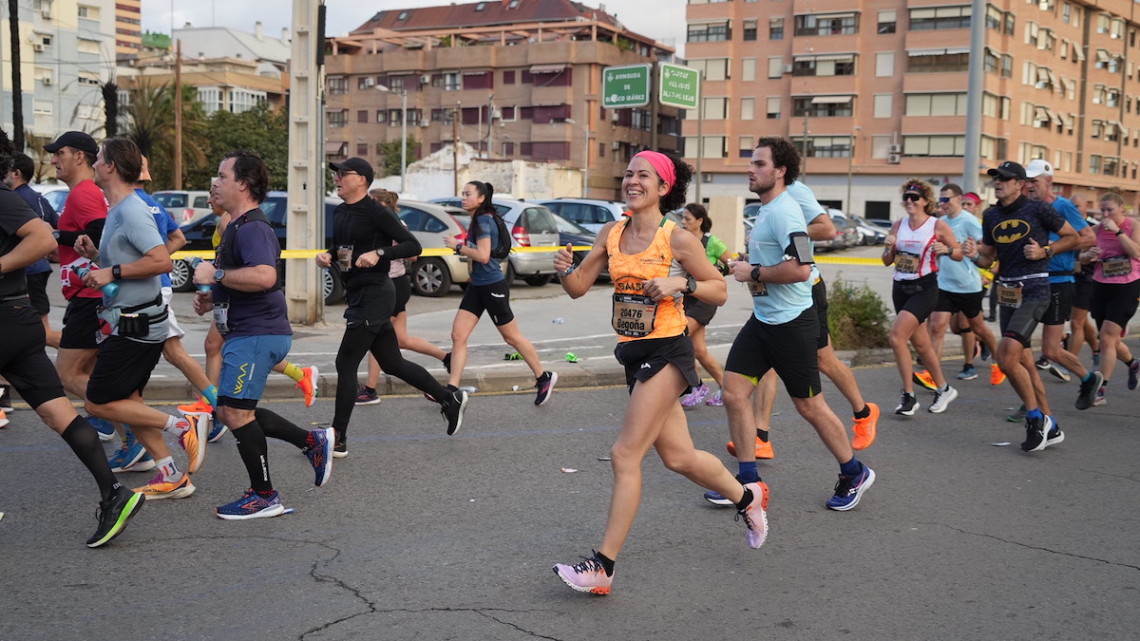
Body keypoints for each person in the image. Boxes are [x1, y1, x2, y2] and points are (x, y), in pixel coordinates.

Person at [550, 150, 765, 596]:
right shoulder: (611, 232)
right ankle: (749, 498)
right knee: (679, 458)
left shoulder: (678, 238)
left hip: (668, 351)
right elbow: (576, 289)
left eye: (643, 175)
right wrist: (564, 269)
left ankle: (602, 567)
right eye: (628, 173)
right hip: (633, 354)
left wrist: (680, 283)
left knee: (624, 455)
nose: (632, 180)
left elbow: (720, 289)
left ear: (663, 187)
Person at [0, 127, 144, 546]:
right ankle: (114, 494)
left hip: (7, 316)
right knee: (58, 413)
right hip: (19, 321)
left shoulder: (3, 197)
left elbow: (42, 238)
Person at [191, 150, 333, 519]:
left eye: (222, 176)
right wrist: (214, 299)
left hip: (256, 334)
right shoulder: (236, 226)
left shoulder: (253, 227)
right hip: (246, 332)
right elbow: (244, 279)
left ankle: (265, 495)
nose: (215, 183)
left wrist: (216, 276)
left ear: (243, 183)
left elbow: (265, 276)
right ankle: (311, 441)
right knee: (232, 411)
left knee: (235, 415)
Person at [74, 137, 209, 501]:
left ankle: (182, 423)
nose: (94, 163)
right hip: (130, 320)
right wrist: (97, 256)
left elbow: (161, 261)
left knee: (96, 402)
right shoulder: (118, 209)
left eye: (98, 158)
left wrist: (111, 271)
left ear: (111, 167)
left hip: (138, 325)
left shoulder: (131, 209)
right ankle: (171, 474)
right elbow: (132, 260)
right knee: (130, 399)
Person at [315, 158, 467, 457]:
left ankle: (339, 437)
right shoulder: (341, 211)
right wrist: (328, 256)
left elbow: (413, 246)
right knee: (392, 363)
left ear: (362, 179)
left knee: (345, 363)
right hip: (357, 293)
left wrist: (379, 252)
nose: (337, 178)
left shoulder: (377, 212)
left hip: (376, 293)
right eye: (336, 173)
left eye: (343, 174)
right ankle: (449, 399)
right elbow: (343, 247)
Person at [724, 179, 880, 469]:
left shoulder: (792, 197)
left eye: (759, 162)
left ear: (780, 169)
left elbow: (825, 231)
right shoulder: (766, 206)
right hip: (767, 313)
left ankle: (862, 416)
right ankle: (752, 465)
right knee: (737, 389)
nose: (750, 169)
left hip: (800, 303)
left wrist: (778, 240)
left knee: (820, 372)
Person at [106, 156, 220, 473]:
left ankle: (214, 412)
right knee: (170, 354)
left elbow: (163, 252)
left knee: (172, 353)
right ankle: (209, 413)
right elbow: (178, 238)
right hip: (155, 290)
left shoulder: (130, 204)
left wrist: (146, 266)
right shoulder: (151, 203)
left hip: (147, 294)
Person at [967, 161, 1081, 451]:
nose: (998, 182)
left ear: (1019, 183)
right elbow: (989, 258)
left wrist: (1046, 250)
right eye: (995, 178)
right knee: (1024, 363)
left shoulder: (1037, 208)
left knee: (1006, 358)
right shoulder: (991, 215)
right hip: (1007, 293)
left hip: (1035, 290)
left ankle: (1034, 418)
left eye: (1005, 178)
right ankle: (1050, 424)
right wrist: (972, 255)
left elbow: (1074, 237)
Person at [442, 181, 556, 406]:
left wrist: (457, 246)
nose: (462, 198)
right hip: (477, 286)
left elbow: (484, 256)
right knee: (458, 335)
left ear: (481, 198)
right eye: (462, 194)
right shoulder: (479, 218)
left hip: (493, 286)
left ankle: (544, 377)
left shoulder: (484, 220)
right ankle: (452, 389)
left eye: (467, 194)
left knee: (511, 336)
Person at [46, 131, 117, 441]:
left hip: (90, 295)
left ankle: (141, 431)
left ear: (78, 157)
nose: (53, 160)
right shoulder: (85, 192)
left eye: (59, 153)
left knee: (68, 373)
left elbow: (100, 236)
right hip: (89, 294)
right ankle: (130, 437)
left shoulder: (83, 192)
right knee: (95, 374)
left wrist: (55, 235)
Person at [355, 187, 450, 405]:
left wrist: (385, 254)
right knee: (402, 340)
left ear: (382, 204)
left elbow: (414, 253)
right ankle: (447, 357)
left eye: (370, 201)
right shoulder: (380, 222)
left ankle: (370, 390)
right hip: (392, 285)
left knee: (375, 338)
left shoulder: (394, 223)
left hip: (393, 285)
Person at [1022, 159, 1101, 402]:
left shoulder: (1063, 206)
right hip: (1031, 281)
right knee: (1018, 346)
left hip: (1058, 281)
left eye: (1034, 181)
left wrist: (1052, 248)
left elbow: (1088, 237)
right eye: (1027, 182)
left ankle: (1089, 378)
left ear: (1049, 182)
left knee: (1051, 350)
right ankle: (1032, 403)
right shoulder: (1025, 207)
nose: (1029, 186)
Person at [881, 179, 961, 415]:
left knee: (896, 337)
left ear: (926, 201)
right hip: (900, 288)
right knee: (922, 345)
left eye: (915, 197)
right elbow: (887, 261)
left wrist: (945, 250)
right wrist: (888, 247)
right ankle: (944, 389)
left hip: (924, 288)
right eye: (906, 196)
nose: (909, 201)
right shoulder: (898, 225)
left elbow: (957, 253)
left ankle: (908, 396)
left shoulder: (937, 226)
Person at [925, 183, 1002, 387]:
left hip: (968, 284)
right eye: (940, 200)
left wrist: (966, 248)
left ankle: (999, 361)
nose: (943, 204)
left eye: (946, 199)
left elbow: (989, 248)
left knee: (978, 327)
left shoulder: (969, 221)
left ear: (958, 199)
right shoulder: (940, 222)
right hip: (944, 284)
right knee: (936, 327)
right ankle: (933, 375)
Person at [1080, 190, 1140, 406]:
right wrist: (1088, 256)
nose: (1105, 214)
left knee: (1106, 337)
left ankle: (1100, 389)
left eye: (1110, 210)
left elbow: (1137, 253)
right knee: (1110, 339)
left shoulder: (1132, 226)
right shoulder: (1095, 229)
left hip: (1127, 286)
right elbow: (1082, 257)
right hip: (1101, 286)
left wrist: (1118, 233)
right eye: (1102, 210)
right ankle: (1133, 364)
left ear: (1121, 209)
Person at [676, 203, 731, 408]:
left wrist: (718, 270)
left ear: (699, 221)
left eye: (688, 219)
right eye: (683, 218)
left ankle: (696, 386)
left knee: (679, 335)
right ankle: (727, 388)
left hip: (706, 298)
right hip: (688, 296)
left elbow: (732, 264)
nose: (684, 222)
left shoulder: (712, 242)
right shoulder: (684, 240)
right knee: (699, 351)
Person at [5, 152, 60, 349]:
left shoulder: (13, 200)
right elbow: (56, 229)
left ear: (16, 173)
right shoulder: (39, 198)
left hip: (28, 271)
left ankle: (80, 350)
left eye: (7, 171)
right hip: (41, 268)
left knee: (40, 332)